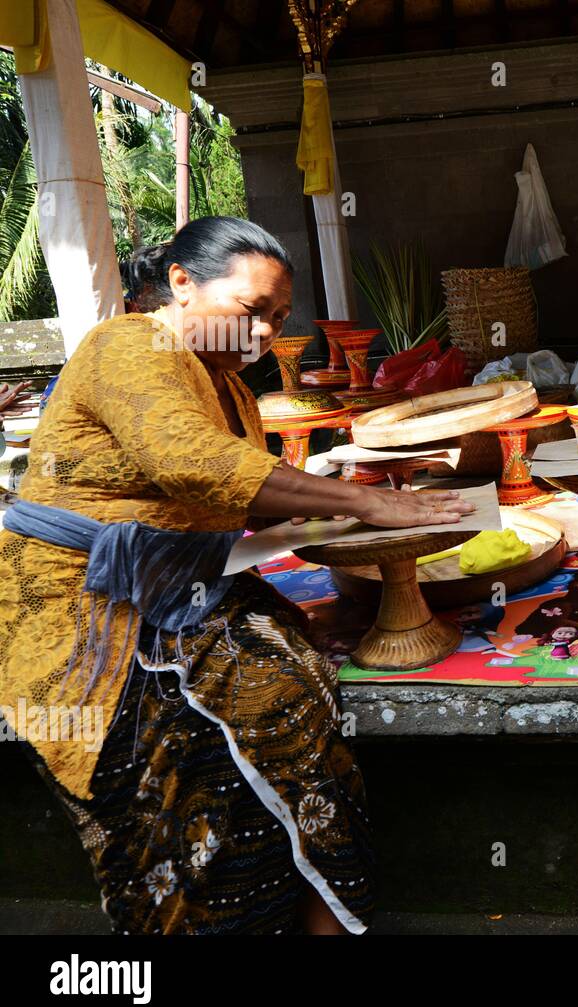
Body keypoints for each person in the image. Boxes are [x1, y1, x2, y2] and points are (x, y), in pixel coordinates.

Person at [0, 216, 474, 935]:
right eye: (252, 313)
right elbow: (194, 463)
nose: (263, 338)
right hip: (87, 609)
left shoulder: (234, 391)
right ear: (181, 283)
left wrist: (339, 508)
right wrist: (362, 498)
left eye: (279, 320)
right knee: (208, 743)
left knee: (295, 682)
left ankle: (318, 917)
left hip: (177, 588)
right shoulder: (128, 343)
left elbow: (229, 501)